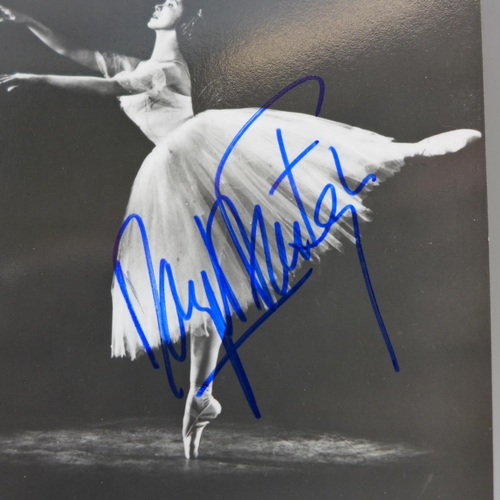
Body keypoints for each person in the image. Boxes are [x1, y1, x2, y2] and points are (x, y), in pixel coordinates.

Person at [0, 1, 481, 459]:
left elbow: (109, 87)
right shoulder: (139, 64)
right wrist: (26, 21)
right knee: (205, 289)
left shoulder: (164, 70)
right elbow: (78, 54)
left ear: (185, 17)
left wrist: (37, 77)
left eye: (170, 2)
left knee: (278, 161)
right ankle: (200, 396)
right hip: (183, 181)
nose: (158, 5)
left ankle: (404, 151)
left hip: (195, 164)